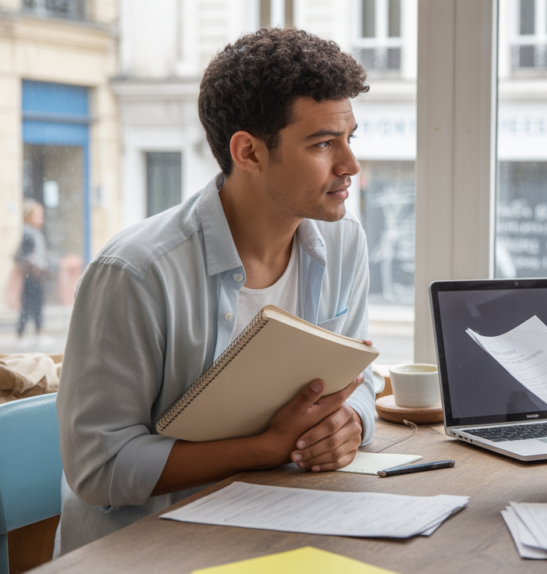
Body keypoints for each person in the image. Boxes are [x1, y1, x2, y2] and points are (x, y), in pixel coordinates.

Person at [56, 28, 377, 553]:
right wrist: (263, 448)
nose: (350, 165)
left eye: (349, 138)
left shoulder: (344, 240)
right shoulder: (134, 273)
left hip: (280, 524)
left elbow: (358, 376)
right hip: (144, 551)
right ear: (248, 152)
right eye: (323, 143)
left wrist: (351, 423)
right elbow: (99, 467)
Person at [14, 199, 49, 345]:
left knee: (35, 304)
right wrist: (35, 264)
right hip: (31, 276)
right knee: (30, 305)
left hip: (35, 276)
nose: (41, 217)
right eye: (37, 214)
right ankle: (25, 333)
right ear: (28, 216)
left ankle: (36, 332)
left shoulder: (35, 232)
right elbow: (20, 255)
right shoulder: (28, 233)